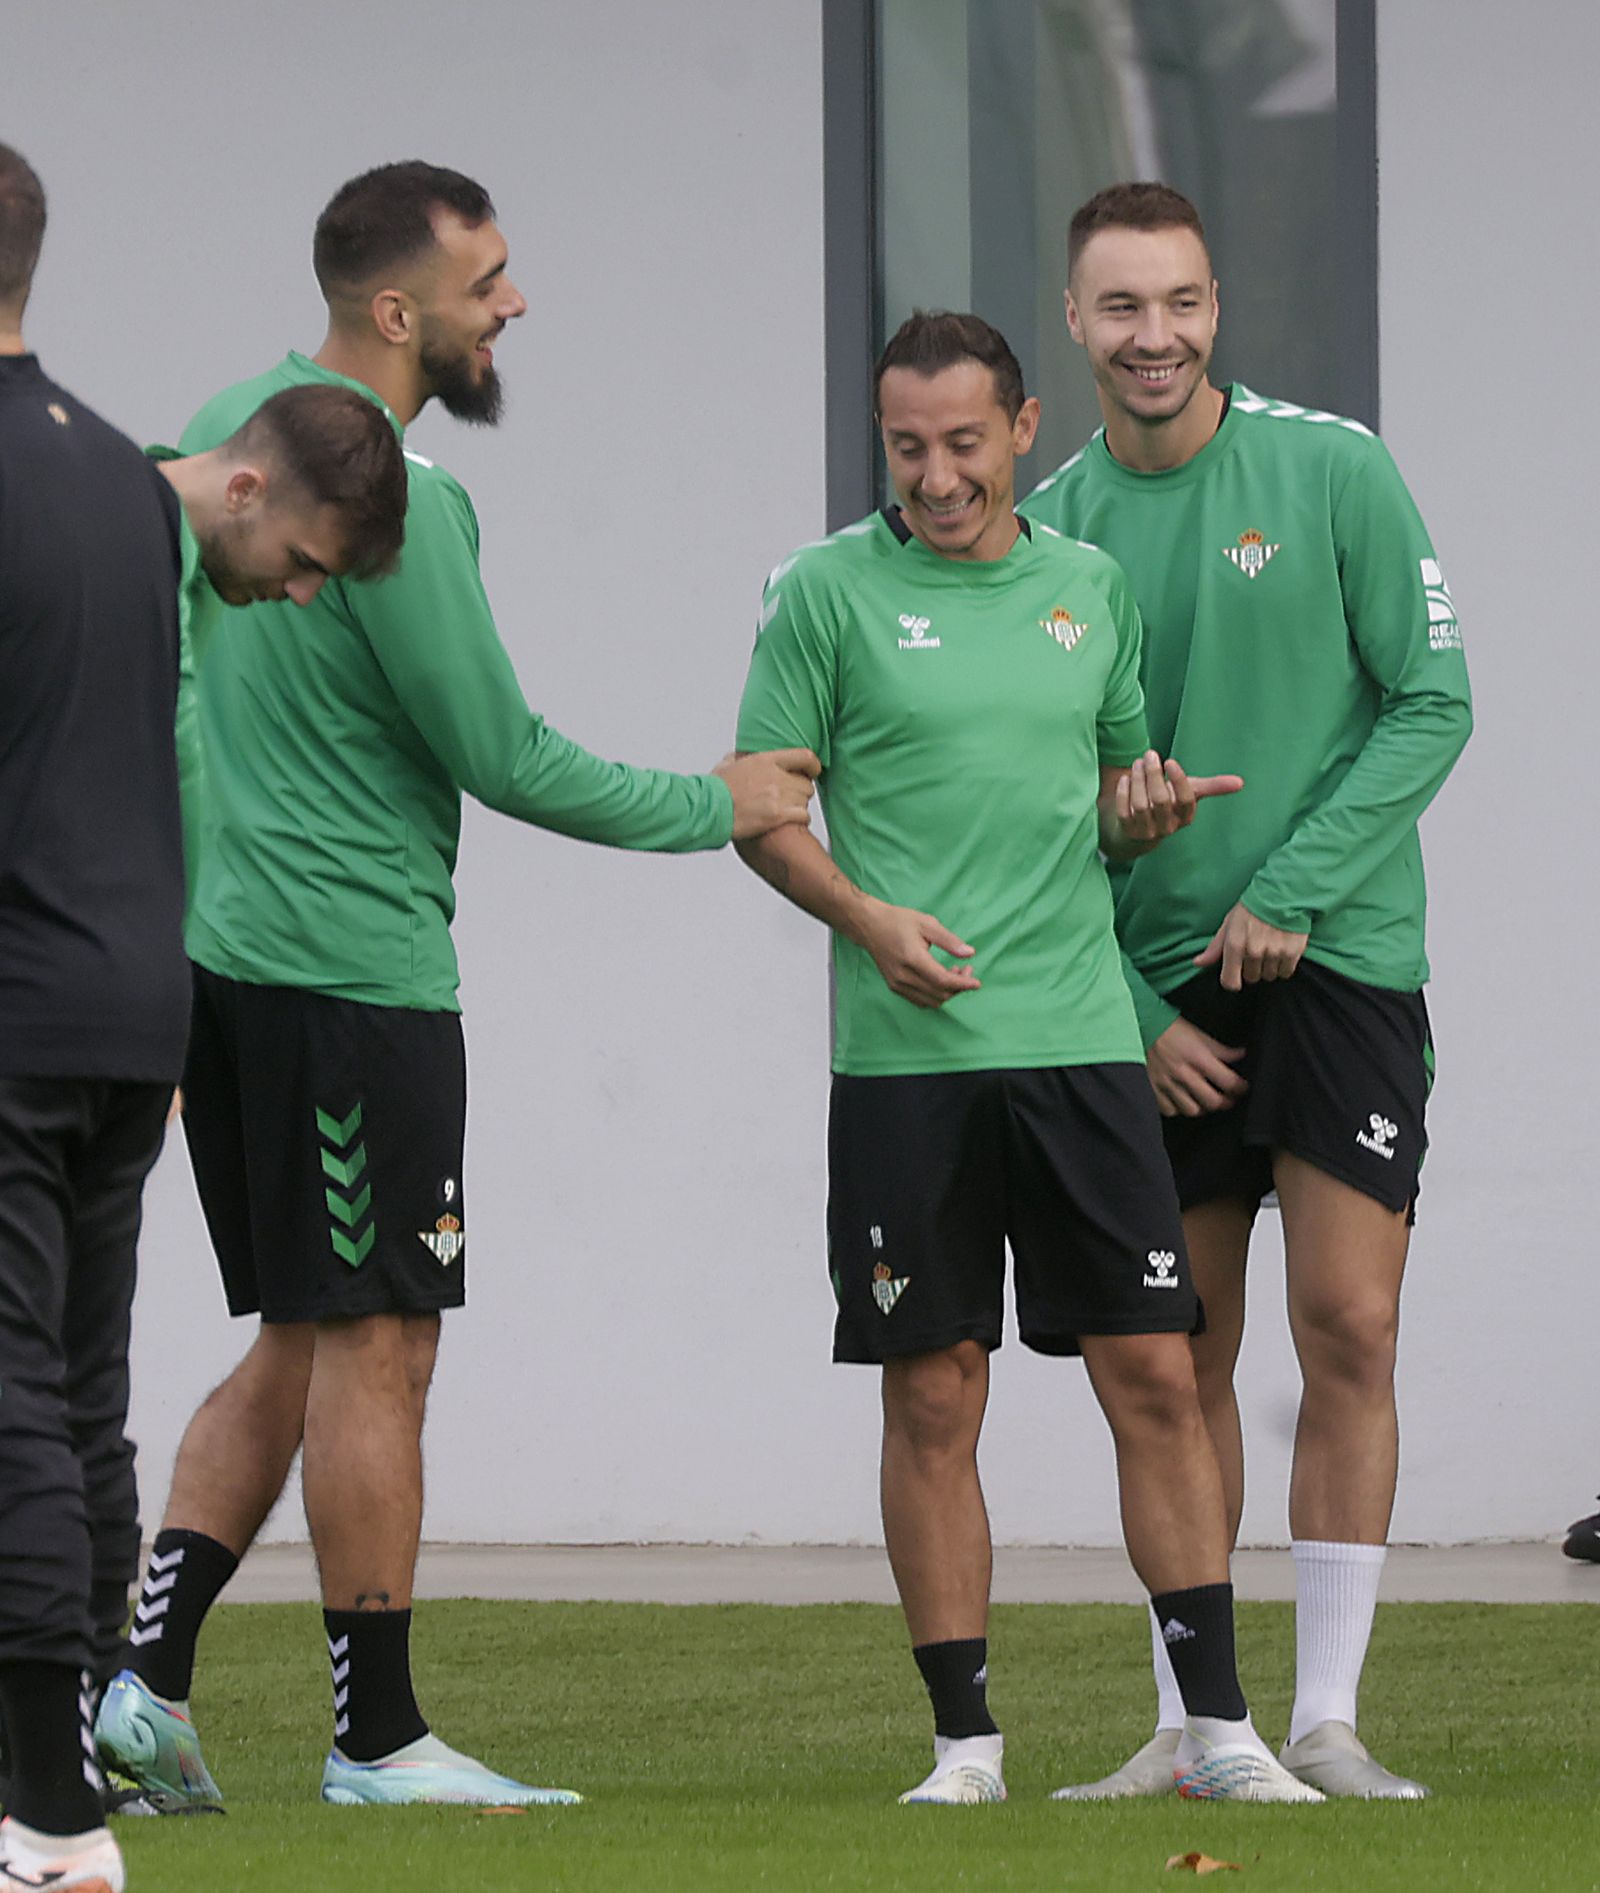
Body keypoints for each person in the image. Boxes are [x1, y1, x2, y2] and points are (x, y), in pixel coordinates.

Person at [96, 160, 818, 1816]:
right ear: (399, 309)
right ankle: (375, 1739)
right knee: (383, 1346)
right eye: (490, 280)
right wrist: (724, 804)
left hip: (240, 968)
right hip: (350, 980)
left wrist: (195, 926)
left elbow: (183, 711)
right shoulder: (398, 496)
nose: (516, 304)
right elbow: (505, 755)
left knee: (301, 1332)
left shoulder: (218, 427)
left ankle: (140, 1688)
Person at [734, 309, 1321, 1807]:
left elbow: (1115, 806)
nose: (936, 476)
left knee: (1158, 1376)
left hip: (1076, 1047)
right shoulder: (822, 593)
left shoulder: (1089, 586)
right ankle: (965, 1748)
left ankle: (1223, 1734)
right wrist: (871, 920)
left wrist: (1147, 809)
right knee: (932, 1396)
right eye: (907, 446)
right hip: (907, 1064)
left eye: (964, 443)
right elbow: (762, 814)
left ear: (1025, 429)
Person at [1022, 181, 1472, 1800]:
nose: (1157, 337)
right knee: (1175, 1359)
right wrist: (1123, 947)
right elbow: (1027, 806)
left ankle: (1331, 1717)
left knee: (1347, 1321)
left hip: (1338, 961)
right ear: (1072, 323)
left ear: (1218, 310)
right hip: (1150, 998)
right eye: (1122, 308)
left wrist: (1292, 890)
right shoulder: (1051, 529)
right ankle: (1194, 1725)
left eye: (1183, 303)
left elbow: (1433, 702)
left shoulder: (1334, 468)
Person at [0, 140, 178, 1893]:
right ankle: (73, 1781)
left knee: (9, 1401)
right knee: (73, 1394)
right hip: (129, 1004)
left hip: (21, 997)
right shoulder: (123, 474)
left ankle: (49, 1820)